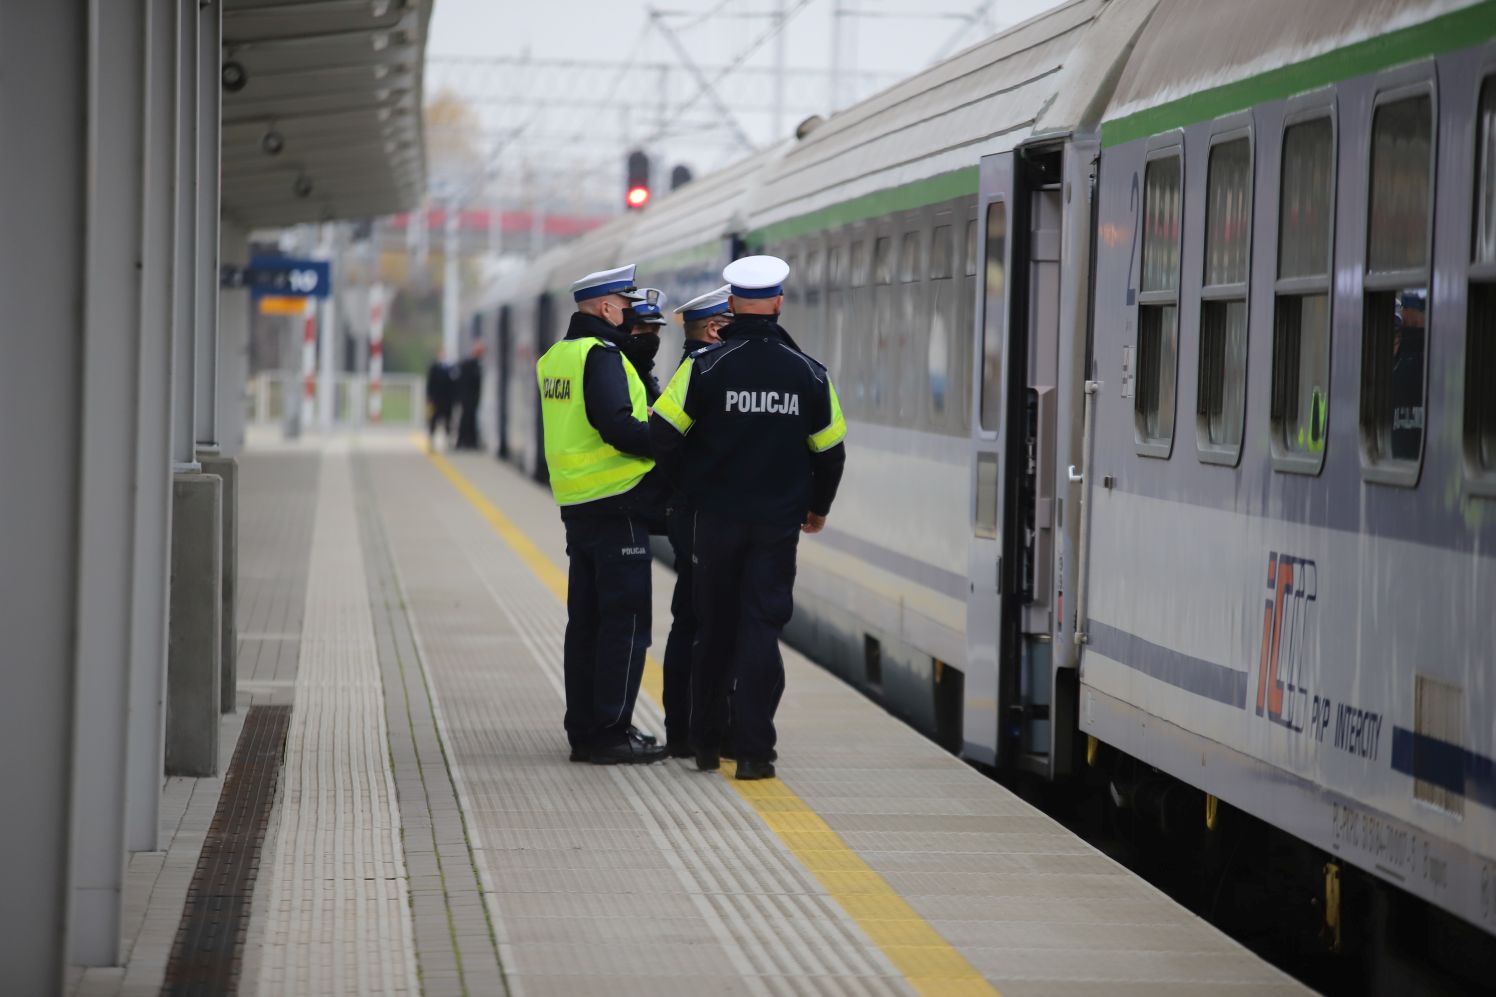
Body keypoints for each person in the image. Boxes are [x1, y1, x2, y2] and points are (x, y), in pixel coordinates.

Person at [650, 257, 847, 779]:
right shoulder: (809, 373)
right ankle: (756, 753)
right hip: (777, 524)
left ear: (733, 305)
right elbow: (831, 452)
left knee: (712, 627)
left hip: (715, 520)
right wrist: (817, 508)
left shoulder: (704, 367)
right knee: (760, 629)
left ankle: (707, 744)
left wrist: (689, 487)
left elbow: (663, 436)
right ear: (779, 304)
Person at [535, 263, 667, 765]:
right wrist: (667, 443)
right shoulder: (602, 354)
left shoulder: (558, 356)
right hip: (619, 502)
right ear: (609, 308)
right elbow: (616, 426)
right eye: (628, 305)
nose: (631, 313)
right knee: (625, 624)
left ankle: (585, 730)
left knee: (586, 624)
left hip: (579, 505)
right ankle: (611, 731)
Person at [658, 285, 732, 757]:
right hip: (701, 516)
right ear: (714, 328)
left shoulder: (696, 371)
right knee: (704, 623)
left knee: (689, 619)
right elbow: (665, 440)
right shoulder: (701, 374)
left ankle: (686, 730)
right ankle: (697, 730)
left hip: (690, 514)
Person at [619, 287, 667, 402]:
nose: (650, 336)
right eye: (640, 328)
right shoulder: (614, 372)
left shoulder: (647, 375)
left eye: (655, 329)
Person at [454, 340, 484, 450]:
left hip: (471, 398)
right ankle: (463, 441)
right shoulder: (469, 364)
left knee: (469, 420)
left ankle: (469, 441)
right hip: (468, 398)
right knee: (466, 420)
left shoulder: (473, 364)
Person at [424, 350, 455, 448]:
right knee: (433, 420)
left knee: (448, 420)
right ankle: (431, 440)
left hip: (447, 399)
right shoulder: (434, 367)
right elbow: (430, 384)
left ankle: (448, 441)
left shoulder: (450, 369)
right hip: (436, 399)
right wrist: (429, 398)